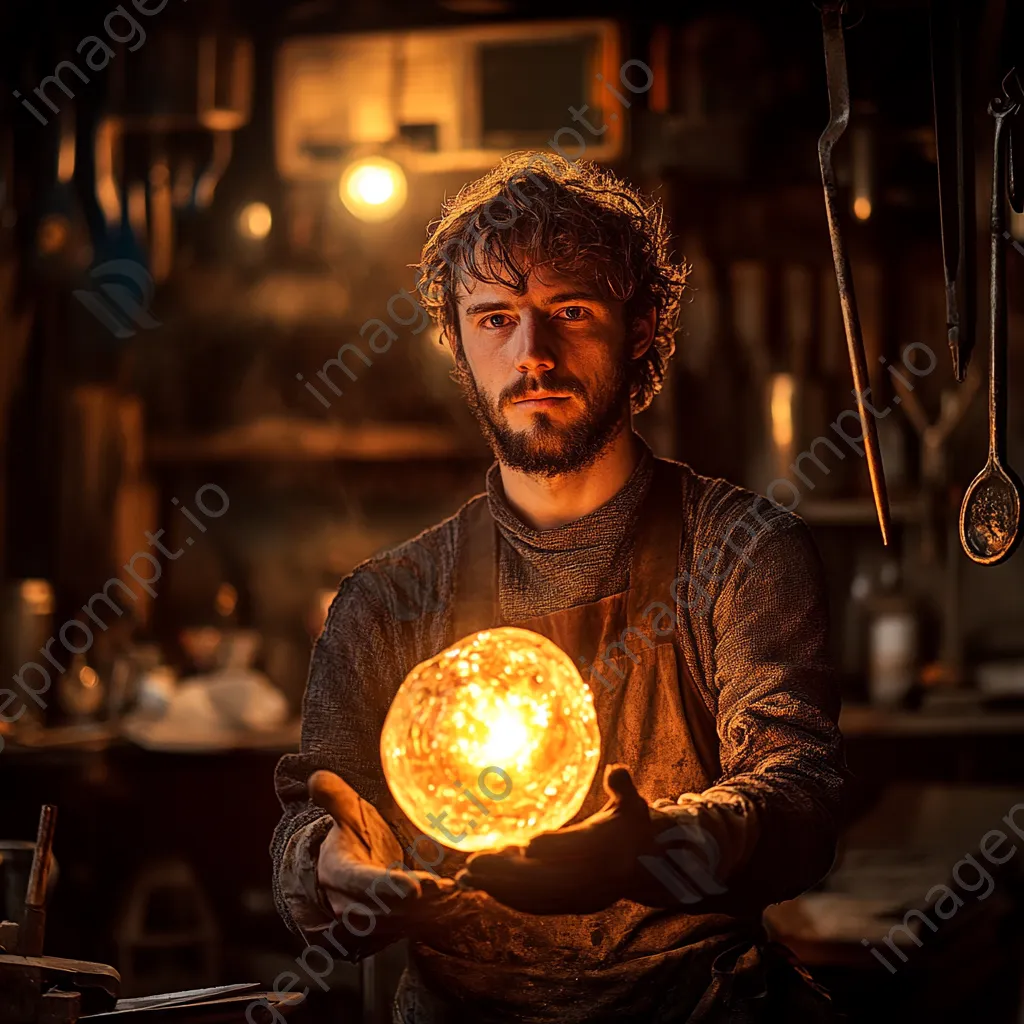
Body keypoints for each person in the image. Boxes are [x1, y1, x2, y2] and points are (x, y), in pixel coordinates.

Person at [271, 151, 846, 1023]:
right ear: (455, 344)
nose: (531, 354)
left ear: (642, 324)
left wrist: (662, 842)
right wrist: (329, 868)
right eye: (494, 318)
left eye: (568, 310)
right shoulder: (388, 599)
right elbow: (309, 811)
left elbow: (799, 792)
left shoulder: (742, 553)